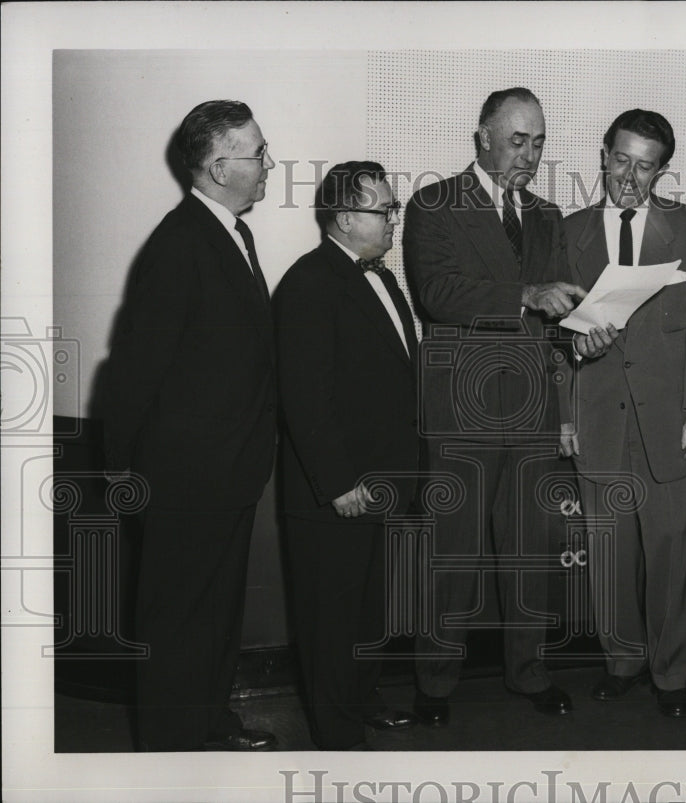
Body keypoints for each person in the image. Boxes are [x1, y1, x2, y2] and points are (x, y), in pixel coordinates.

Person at [403, 87, 586, 724]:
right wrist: (529, 294)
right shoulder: (433, 204)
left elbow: (556, 315)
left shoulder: (547, 214)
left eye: (539, 142)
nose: (530, 155)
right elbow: (439, 292)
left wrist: (584, 329)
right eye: (518, 140)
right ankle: (434, 684)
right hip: (461, 410)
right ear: (482, 137)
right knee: (450, 554)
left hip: (533, 409)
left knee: (531, 552)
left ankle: (529, 673)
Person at [103, 100, 278, 751]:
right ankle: (170, 758)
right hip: (181, 481)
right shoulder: (179, 244)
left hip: (227, 474)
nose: (269, 162)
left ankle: (206, 723)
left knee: (214, 617)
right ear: (217, 165)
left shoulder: (233, 233)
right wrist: (128, 482)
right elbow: (131, 376)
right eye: (258, 152)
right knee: (178, 622)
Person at [564, 109, 686, 718]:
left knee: (668, 553)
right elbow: (551, 333)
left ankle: (670, 673)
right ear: (603, 155)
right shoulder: (568, 230)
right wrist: (564, 409)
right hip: (596, 414)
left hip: (668, 421)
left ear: (662, 170)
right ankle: (623, 662)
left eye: (646, 166)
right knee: (609, 555)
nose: (630, 177)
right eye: (622, 160)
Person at [274, 161, 419, 751]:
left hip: (383, 484)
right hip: (337, 492)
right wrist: (337, 483)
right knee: (330, 621)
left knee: (368, 611)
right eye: (382, 210)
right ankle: (336, 736)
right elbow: (304, 396)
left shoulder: (383, 280)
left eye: (392, 208)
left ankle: (361, 702)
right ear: (341, 217)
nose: (392, 220)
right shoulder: (308, 282)